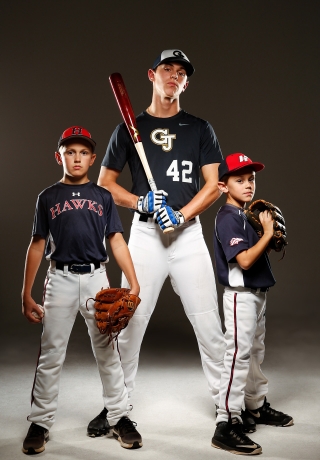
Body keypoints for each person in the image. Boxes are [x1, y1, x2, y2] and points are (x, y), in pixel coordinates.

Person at [87, 49, 226, 437]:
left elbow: (214, 185)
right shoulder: (128, 128)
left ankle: (226, 413)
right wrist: (139, 202)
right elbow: (105, 185)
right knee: (128, 323)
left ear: (186, 83)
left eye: (181, 73)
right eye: (167, 68)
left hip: (188, 235)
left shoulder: (201, 128)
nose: (174, 76)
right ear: (152, 75)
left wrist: (182, 215)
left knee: (209, 326)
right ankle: (117, 410)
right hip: (145, 236)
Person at [21, 126, 143, 454]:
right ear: (58, 156)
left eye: (83, 152)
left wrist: (133, 282)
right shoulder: (47, 197)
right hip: (58, 279)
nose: (76, 158)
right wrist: (26, 292)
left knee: (108, 350)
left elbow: (116, 239)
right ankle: (41, 421)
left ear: (92, 158)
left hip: (96, 279)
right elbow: (37, 244)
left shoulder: (103, 196)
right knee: (51, 353)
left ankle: (118, 417)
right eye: (69, 151)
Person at [211, 153, 294, 455]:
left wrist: (263, 235)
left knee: (255, 353)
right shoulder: (227, 218)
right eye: (239, 180)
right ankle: (226, 422)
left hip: (257, 296)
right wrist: (268, 232)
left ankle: (255, 406)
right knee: (237, 357)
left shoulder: (245, 216)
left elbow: (254, 254)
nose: (248, 185)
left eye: (251, 179)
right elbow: (244, 260)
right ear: (223, 185)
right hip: (240, 298)